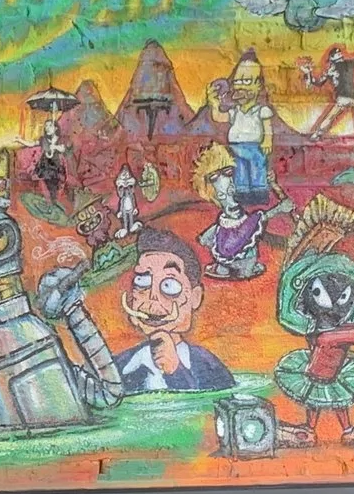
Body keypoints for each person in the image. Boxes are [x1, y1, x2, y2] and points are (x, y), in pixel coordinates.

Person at [115, 231, 237, 394]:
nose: (152, 297)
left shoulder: (208, 366)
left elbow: (211, 402)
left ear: (195, 297)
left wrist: (175, 370)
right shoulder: (120, 364)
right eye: (142, 281)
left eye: (169, 285)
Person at [209, 51, 280, 213]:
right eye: (238, 81)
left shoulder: (261, 110)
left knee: (257, 169)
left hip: (255, 148)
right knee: (240, 170)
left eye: (247, 80)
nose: (241, 86)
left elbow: (267, 127)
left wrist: (267, 140)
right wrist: (213, 103)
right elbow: (219, 117)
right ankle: (242, 193)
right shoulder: (235, 111)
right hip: (236, 147)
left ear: (258, 86)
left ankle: (259, 193)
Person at [194, 143, 265, 280]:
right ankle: (226, 268)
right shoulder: (225, 223)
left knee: (246, 257)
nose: (230, 200)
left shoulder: (243, 218)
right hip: (227, 253)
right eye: (222, 195)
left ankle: (237, 268)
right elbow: (215, 232)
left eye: (231, 191)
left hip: (245, 259)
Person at [300, 44, 354, 139]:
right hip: (351, 97)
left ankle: (317, 134)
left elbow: (318, 83)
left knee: (331, 117)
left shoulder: (330, 70)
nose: (340, 54)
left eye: (339, 53)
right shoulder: (348, 63)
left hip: (344, 98)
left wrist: (308, 74)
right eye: (338, 53)